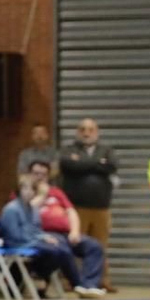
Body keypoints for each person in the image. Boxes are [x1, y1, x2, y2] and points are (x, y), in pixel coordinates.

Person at [2, 170, 106, 298]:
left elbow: (36, 229)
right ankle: (78, 284)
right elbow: (14, 236)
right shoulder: (11, 209)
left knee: (87, 246)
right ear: (18, 190)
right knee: (61, 251)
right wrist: (38, 240)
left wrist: (44, 237)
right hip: (20, 244)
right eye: (25, 189)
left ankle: (84, 284)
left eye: (31, 189)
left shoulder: (33, 209)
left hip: (36, 240)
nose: (28, 192)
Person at [58, 118, 117, 284]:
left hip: (101, 208)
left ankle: (102, 281)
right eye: (83, 129)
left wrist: (82, 164)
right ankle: (72, 281)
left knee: (101, 245)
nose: (86, 133)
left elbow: (111, 166)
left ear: (97, 132)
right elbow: (68, 165)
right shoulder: (68, 149)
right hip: (76, 208)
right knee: (75, 244)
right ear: (77, 132)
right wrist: (97, 164)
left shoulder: (107, 150)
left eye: (90, 129)